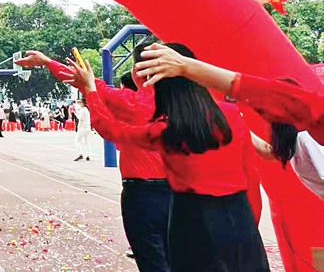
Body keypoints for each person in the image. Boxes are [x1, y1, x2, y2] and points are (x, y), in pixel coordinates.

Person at [65, 48, 307, 272]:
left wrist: (90, 90)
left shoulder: (165, 130)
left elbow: (111, 129)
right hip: (239, 224)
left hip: (194, 228)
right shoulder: (230, 116)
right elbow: (254, 168)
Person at [20, 48, 188, 272]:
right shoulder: (186, 102)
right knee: (174, 270)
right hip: (181, 195)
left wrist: (49, 63)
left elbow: (88, 89)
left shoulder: (135, 103)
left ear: (140, 72)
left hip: (144, 196)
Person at [135, 43, 324, 198]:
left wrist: (186, 67)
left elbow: (284, 100)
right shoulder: (292, 142)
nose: (267, 114)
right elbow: (278, 104)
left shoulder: (305, 137)